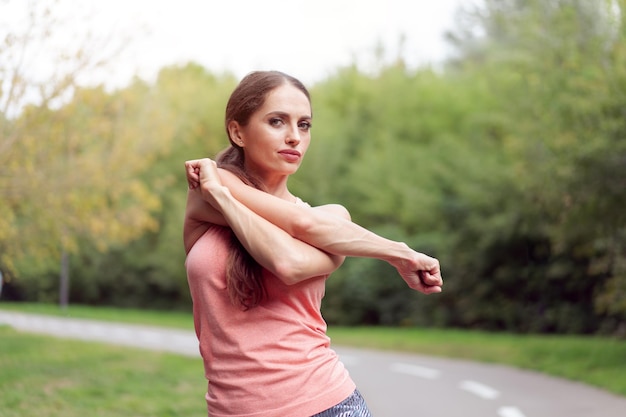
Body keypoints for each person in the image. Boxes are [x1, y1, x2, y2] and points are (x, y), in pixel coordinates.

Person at [184, 70, 442, 417]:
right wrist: (400, 254)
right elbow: (296, 237)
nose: (294, 137)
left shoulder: (333, 219)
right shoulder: (207, 193)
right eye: (277, 121)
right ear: (237, 132)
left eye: (304, 125)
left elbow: (288, 260)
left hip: (327, 404)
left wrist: (224, 200)